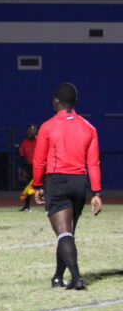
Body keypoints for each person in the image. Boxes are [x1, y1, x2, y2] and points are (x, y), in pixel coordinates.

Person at [32, 83, 102, 290]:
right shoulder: (89, 127)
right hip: (80, 184)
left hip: (57, 181)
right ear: (75, 102)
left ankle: (77, 278)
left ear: (56, 101)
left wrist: (37, 186)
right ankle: (57, 277)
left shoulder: (48, 126)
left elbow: (39, 161)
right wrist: (97, 192)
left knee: (64, 233)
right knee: (67, 234)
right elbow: (94, 163)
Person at [18, 123, 38, 211]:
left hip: (40, 167)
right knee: (28, 187)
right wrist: (24, 170)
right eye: (29, 131)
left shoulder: (40, 141)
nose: (30, 132)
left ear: (35, 131)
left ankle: (50, 206)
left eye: (32, 130)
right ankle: (27, 206)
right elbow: (22, 157)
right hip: (29, 168)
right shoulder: (24, 143)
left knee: (45, 187)